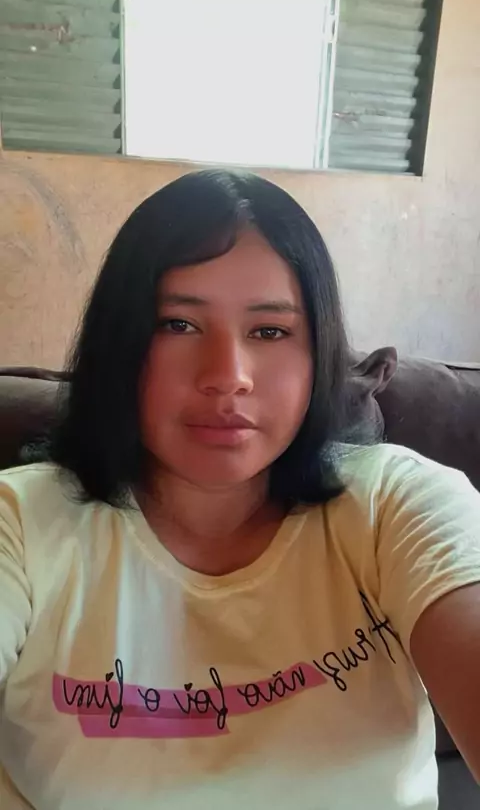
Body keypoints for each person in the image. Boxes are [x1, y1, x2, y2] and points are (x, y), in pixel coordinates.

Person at [0, 170, 479, 810]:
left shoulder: (399, 505)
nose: (228, 377)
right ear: (119, 341)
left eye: (270, 331)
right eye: (177, 324)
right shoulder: (19, 523)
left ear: (319, 354)